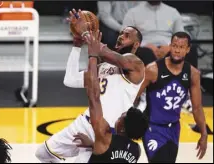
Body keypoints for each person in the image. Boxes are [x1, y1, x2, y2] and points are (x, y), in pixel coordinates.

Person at [35, 9, 145, 163]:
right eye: (121, 33)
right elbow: (70, 79)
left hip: (105, 131)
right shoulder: (103, 65)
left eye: (127, 36)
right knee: (42, 153)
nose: (121, 37)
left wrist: (86, 32)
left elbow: (104, 52)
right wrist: (77, 46)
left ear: (136, 44)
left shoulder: (136, 65)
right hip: (84, 123)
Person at [134, 31, 208, 163]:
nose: (177, 50)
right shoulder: (153, 70)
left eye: (181, 47)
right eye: (174, 46)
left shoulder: (193, 74)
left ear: (187, 50)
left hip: (174, 128)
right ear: (170, 46)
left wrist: (204, 134)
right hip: (152, 128)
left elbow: (196, 108)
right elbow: (133, 95)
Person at [74, 40, 148, 162]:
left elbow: (94, 99)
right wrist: (92, 145)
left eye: (122, 117)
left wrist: (92, 56)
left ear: (122, 128)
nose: (119, 117)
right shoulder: (136, 150)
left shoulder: (105, 138)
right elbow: (110, 152)